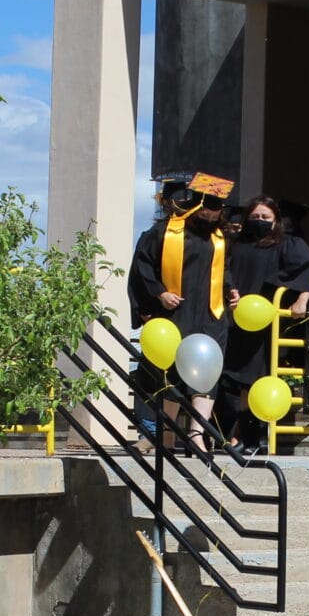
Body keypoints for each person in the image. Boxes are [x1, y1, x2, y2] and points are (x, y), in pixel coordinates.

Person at [128, 172, 234, 450]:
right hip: (177, 314)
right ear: (195, 202)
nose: (213, 212)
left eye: (218, 207)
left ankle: (198, 433)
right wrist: (160, 293)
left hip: (211, 315)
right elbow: (142, 266)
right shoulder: (165, 232)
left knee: (208, 372)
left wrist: (231, 291)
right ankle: (167, 433)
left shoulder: (220, 238)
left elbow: (225, 271)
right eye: (209, 205)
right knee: (173, 373)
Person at [222, 196, 309, 453]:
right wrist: (230, 291)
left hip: (270, 323)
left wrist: (303, 297)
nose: (260, 221)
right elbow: (225, 273)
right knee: (242, 382)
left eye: (266, 217)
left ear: (276, 220)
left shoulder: (288, 244)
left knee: (261, 379)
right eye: (255, 217)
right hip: (240, 322)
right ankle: (244, 437)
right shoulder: (236, 246)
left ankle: (255, 437)